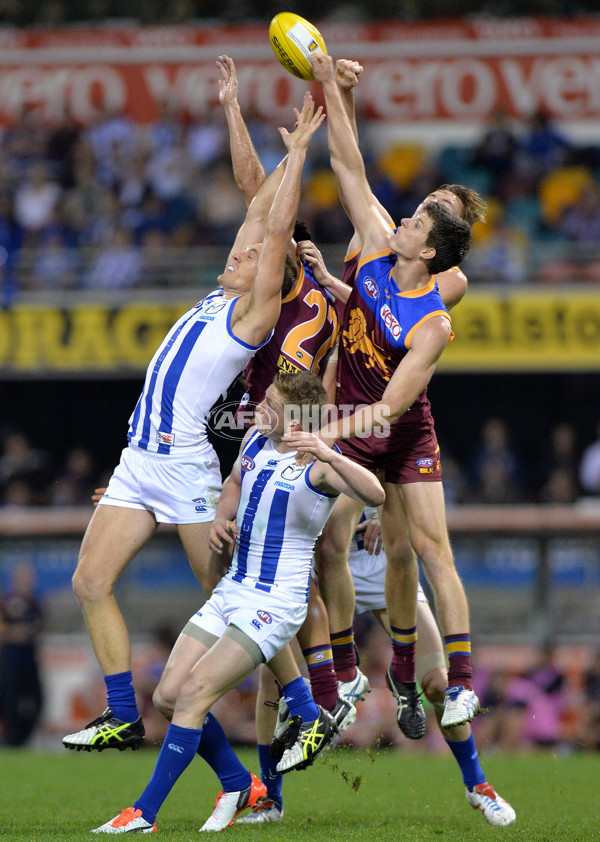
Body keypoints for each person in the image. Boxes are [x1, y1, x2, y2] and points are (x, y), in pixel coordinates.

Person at [63, 90, 326, 752]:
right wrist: (232, 107)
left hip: (184, 465)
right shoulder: (220, 294)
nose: (238, 250)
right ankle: (122, 713)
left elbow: (275, 223)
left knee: (235, 594)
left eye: (249, 254)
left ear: (269, 272)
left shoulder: (251, 313)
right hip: (138, 459)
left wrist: (297, 158)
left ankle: (304, 705)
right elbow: (255, 199)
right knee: (89, 582)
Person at [91, 371, 385, 834]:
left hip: (275, 603)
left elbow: (375, 492)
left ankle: (144, 814)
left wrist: (331, 450)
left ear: (296, 416)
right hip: (233, 590)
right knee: (168, 697)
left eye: (270, 401)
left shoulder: (320, 464)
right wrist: (221, 518)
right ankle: (239, 781)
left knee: (193, 694)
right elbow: (233, 482)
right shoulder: (253, 440)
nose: (258, 406)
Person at [298, 53, 475, 742]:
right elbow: (347, 167)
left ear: (436, 249)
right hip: (349, 407)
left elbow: (398, 401)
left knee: (424, 552)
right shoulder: (375, 247)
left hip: (391, 420)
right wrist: (332, 90)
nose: (412, 213)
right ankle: (345, 671)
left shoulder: (438, 308)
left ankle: (447, 684)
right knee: (332, 540)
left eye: (429, 215)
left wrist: (326, 427)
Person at [239, 511, 516, 828]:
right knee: (273, 676)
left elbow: (415, 495)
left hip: (381, 568)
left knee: (438, 683)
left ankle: (478, 784)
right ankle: (271, 799)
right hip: (322, 572)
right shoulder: (308, 459)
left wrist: (391, 516)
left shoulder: (386, 461)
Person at [0, 562, 44, 746]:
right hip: (10, 660)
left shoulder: (35, 602)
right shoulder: (5, 601)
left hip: (30, 659)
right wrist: (12, 633)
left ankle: (23, 739)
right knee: (9, 701)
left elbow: (43, 625)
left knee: (37, 700)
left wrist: (30, 631)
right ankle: (11, 740)